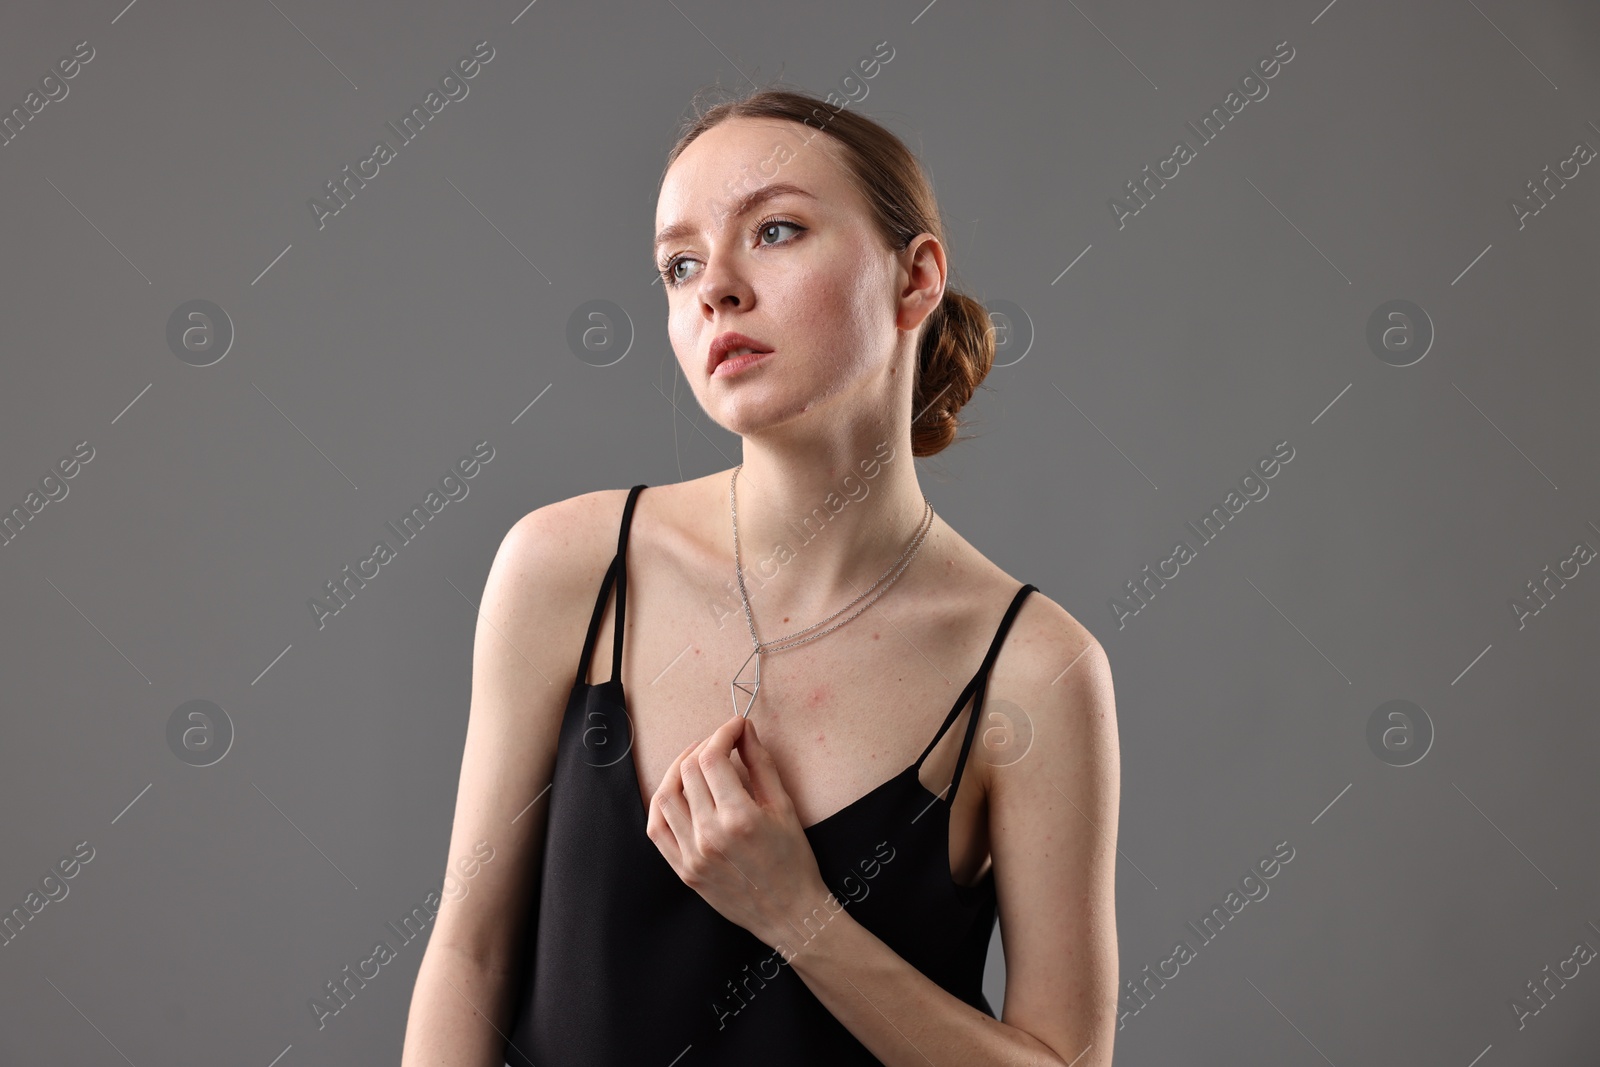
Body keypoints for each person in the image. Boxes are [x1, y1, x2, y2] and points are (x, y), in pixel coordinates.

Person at [401, 85, 1120, 1066]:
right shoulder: (566, 568)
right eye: (679, 263)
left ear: (914, 280)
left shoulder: (1033, 668)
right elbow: (467, 956)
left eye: (775, 230)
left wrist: (802, 919)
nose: (715, 288)